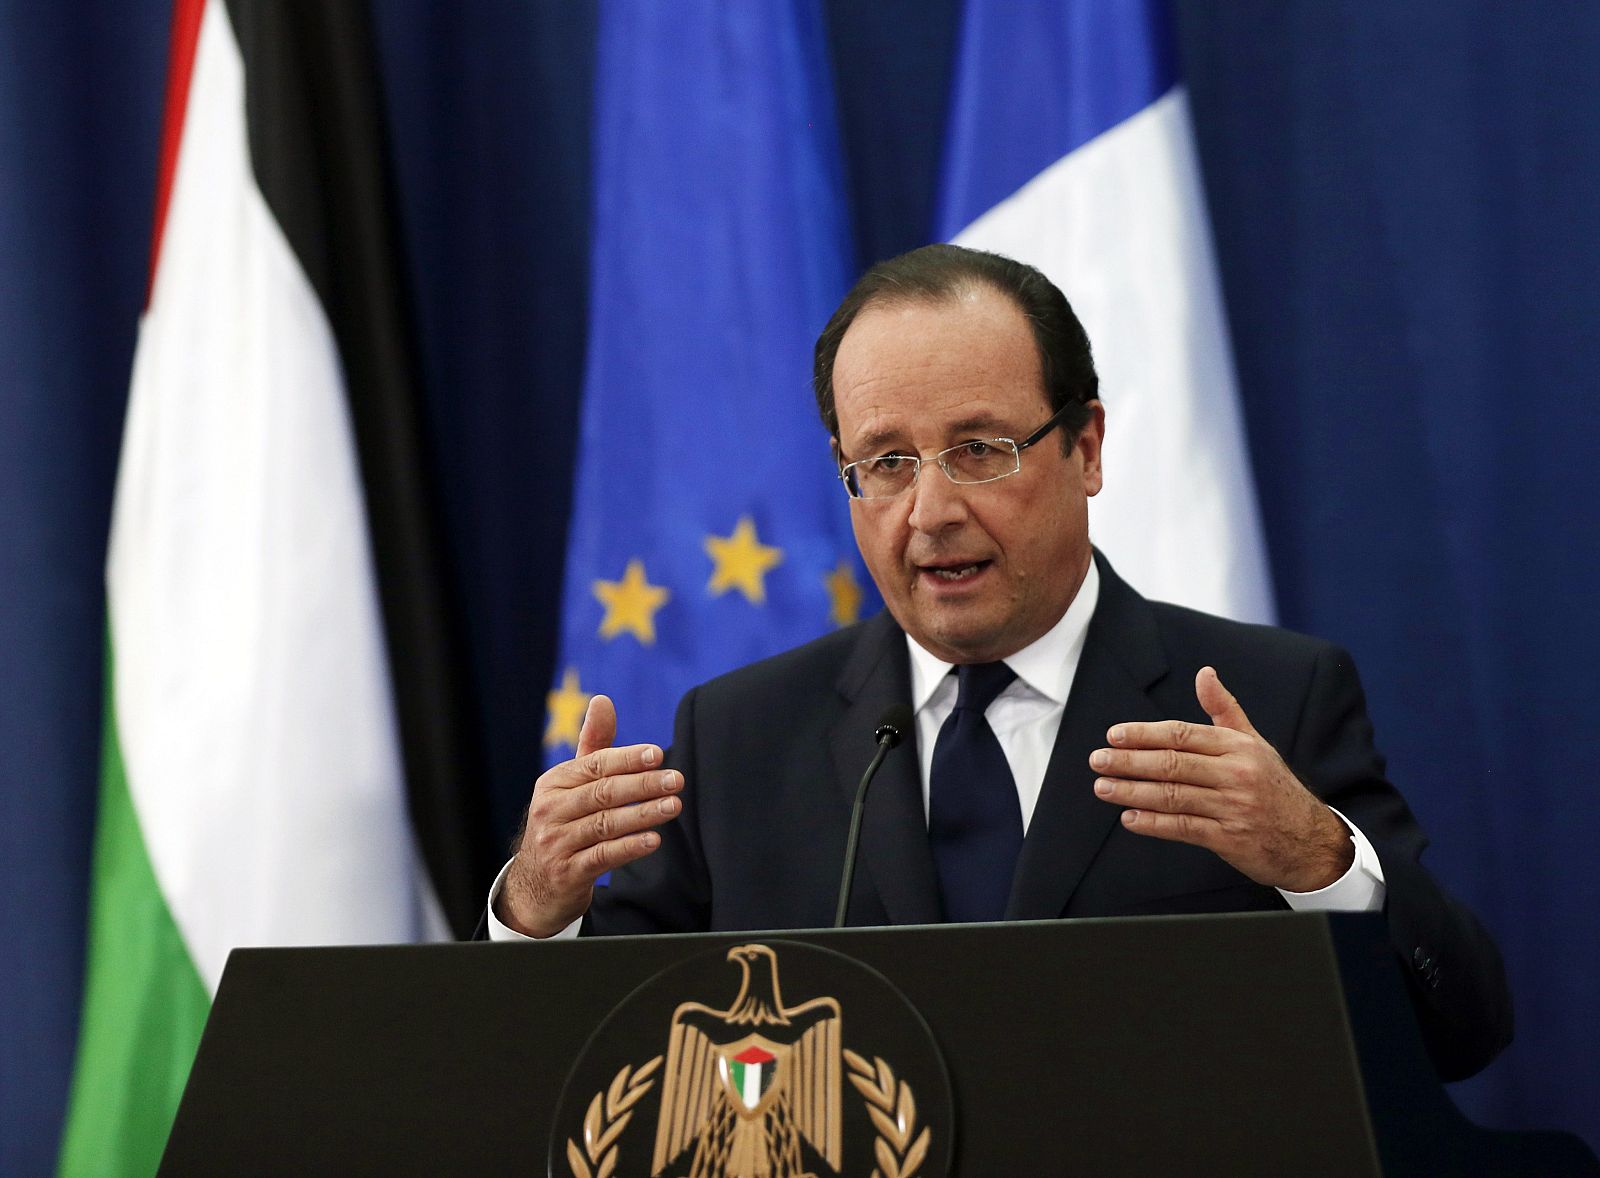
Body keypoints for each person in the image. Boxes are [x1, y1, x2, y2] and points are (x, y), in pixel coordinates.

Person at [488, 244, 1511, 1081]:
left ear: (1088, 447)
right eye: (885, 462)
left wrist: (1319, 862)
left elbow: (1461, 1031)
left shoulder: (1264, 700)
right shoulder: (738, 735)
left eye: (979, 448)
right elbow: (605, 1066)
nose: (930, 512)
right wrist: (535, 911)